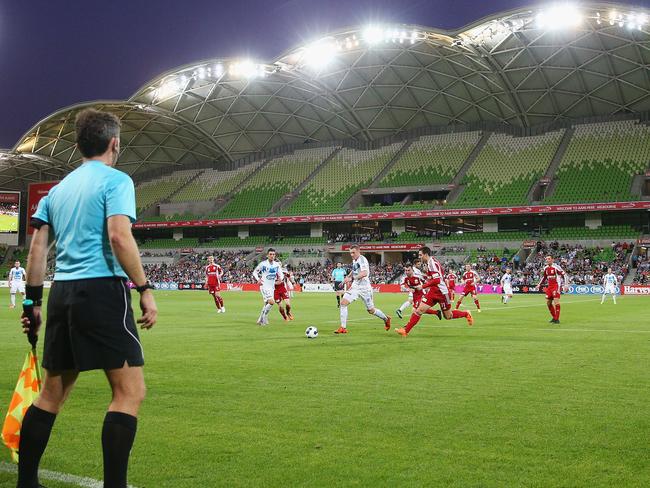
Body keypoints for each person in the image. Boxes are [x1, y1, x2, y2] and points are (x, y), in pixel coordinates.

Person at [18, 108, 157, 488]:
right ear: (115, 143)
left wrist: (33, 304)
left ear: (79, 146)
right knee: (130, 392)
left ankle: (26, 482)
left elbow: (36, 252)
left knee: (51, 393)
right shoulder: (117, 181)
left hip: (62, 292)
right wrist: (144, 289)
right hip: (102, 290)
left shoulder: (56, 192)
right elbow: (118, 236)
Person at [396, 247, 473, 337]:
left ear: (425, 254)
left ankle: (466, 313)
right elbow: (438, 275)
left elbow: (437, 280)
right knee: (419, 310)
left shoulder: (432, 263)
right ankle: (405, 331)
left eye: (420, 255)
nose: (419, 257)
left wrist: (422, 286)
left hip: (442, 293)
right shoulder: (430, 263)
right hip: (433, 291)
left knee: (448, 316)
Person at [334, 245, 390, 334]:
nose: (352, 255)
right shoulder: (354, 260)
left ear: (358, 251)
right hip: (355, 286)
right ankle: (343, 328)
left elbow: (364, 273)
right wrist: (347, 277)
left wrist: (351, 279)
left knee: (371, 310)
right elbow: (354, 269)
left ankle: (386, 318)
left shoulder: (362, 259)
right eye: (350, 253)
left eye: (353, 253)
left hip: (365, 288)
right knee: (343, 303)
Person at [252, 249, 283, 326]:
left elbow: (281, 274)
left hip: (272, 286)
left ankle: (260, 320)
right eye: (270, 254)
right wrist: (258, 279)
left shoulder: (277, 264)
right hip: (264, 285)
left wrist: (280, 279)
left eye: (273, 254)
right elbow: (255, 272)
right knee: (271, 302)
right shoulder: (263, 264)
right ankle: (264, 317)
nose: (272, 256)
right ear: (267, 255)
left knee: (267, 304)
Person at [535, 255, 568, 324]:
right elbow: (544, 277)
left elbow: (564, 275)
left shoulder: (556, 267)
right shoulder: (545, 268)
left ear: (552, 260)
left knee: (556, 301)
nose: (547, 260)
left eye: (549, 259)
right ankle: (554, 317)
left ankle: (557, 319)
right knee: (548, 303)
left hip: (556, 286)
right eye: (546, 259)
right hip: (549, 287)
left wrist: (566, 284)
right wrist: (539, 284)